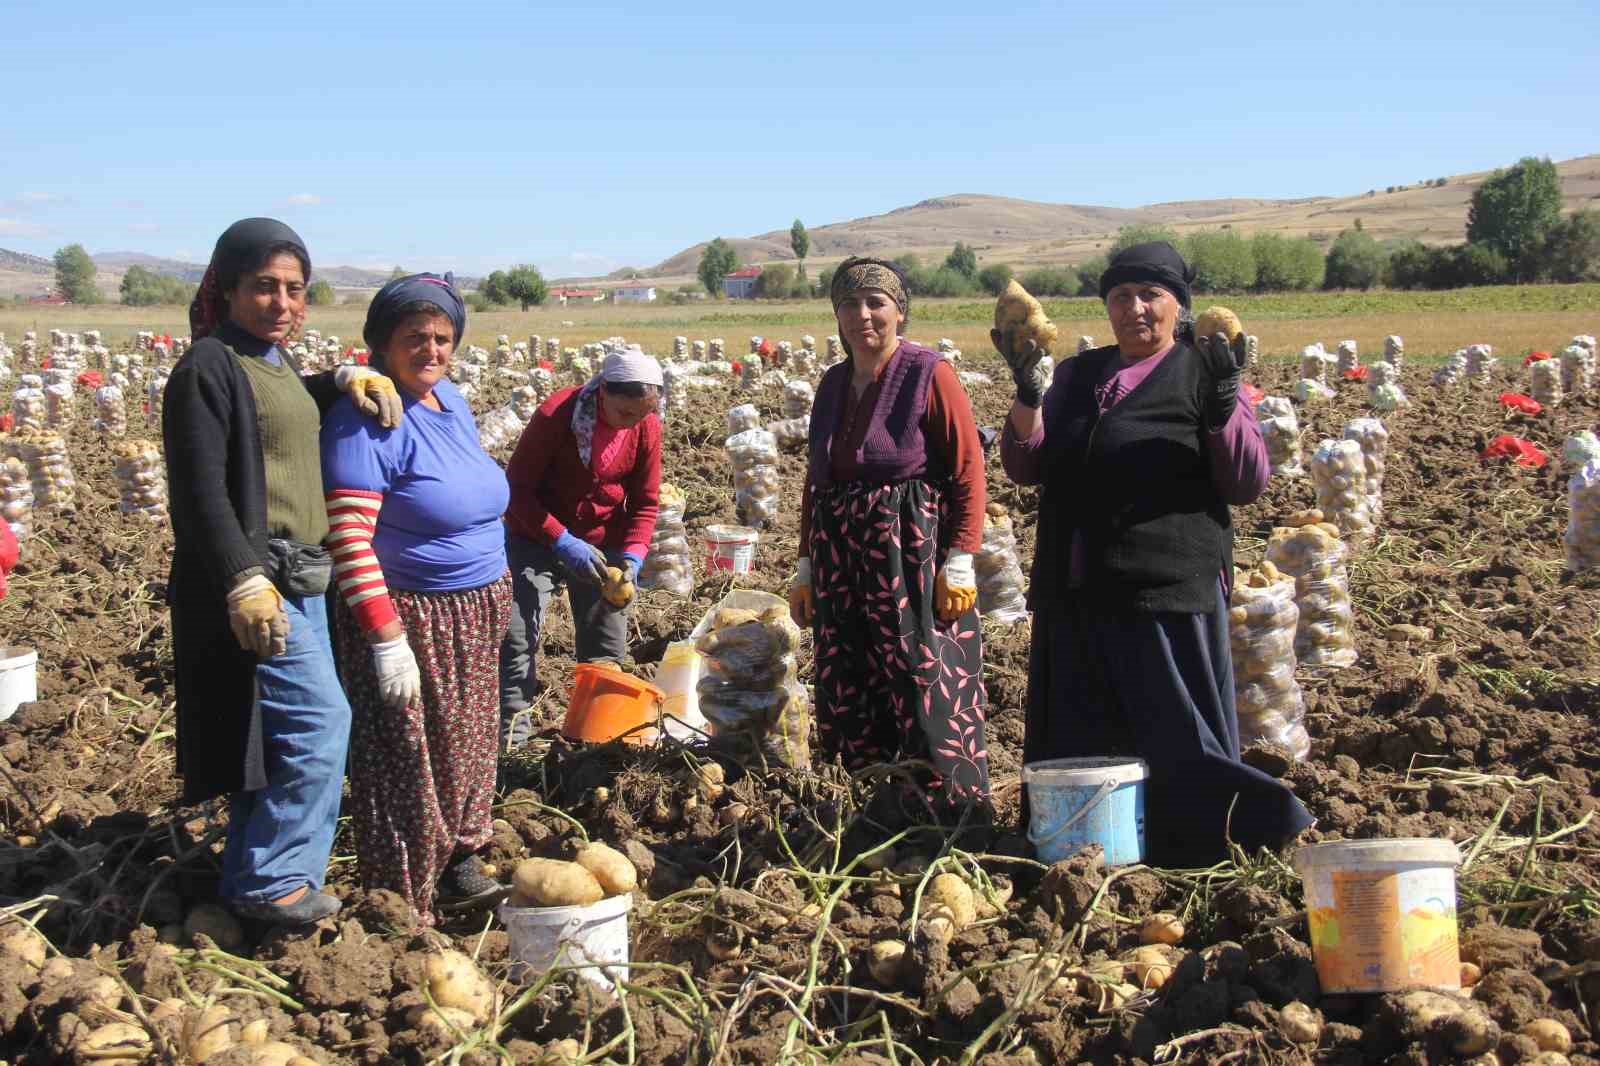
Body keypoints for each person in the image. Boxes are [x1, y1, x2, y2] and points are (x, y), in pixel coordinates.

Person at [997, 240, 1313, 867]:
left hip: (1169, 586)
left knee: (1178, 728)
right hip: (1075, 587)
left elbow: (1246, 481)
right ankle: (1084, 849)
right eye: (1120, 296)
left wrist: (1224, 404)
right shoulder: (1079, 375)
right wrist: (1030, 396)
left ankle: (1212, 843)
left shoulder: (1204, 372)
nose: (1135, 308)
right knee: (1079, 727)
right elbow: (1024, 466)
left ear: (1178, 306)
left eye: (1151, 295)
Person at [163, 217, 402, 924]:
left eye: (295, 289)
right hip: (261, 581)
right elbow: (200, 491)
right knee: (319, 723)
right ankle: (273, 882)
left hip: (303, 577)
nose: (282, 302)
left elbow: (283, 407)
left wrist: (340, 379)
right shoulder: (207, 367)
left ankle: (263, 871)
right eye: (264, 287)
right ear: (228, 288)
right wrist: (242, 577)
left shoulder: (268, 363)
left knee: (277, 733)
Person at [321, 273, 512, 924]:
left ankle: (459, 860)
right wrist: (385, 634)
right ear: (379, 342)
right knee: (406, 760)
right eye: (414, 338)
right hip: (413, 616)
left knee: (466, 746)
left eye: (442, 337)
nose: (431, 349)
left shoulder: (448, 400)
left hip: (473, 608)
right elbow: (348, 536)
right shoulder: (367, 416)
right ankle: (403, 903)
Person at [789, 257, 990, 808]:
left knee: (920, 672)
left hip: (909, 551)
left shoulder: (930, 373)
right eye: (849, 305)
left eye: (876, 303)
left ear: (899, 311)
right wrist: (805, 565)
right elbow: (816, 481)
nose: (863, 315)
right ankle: (868, 803)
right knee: (848, 672)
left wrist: (962, 557)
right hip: (841, 554)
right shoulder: (832, 385)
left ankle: (946, 808)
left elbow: (968, 469)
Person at [499, 347, 663, 748]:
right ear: (603, 391)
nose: (633, 423)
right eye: (626, 413)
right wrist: (559, 538)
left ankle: (595, 735)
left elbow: (645, 501)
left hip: (601, 541)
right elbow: (515, 490)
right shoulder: (557, 416)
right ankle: (512, 737)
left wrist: (633, 555)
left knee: (606, 643)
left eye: (642, 415)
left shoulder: (646, 427)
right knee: (518, 635)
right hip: (535, 533)